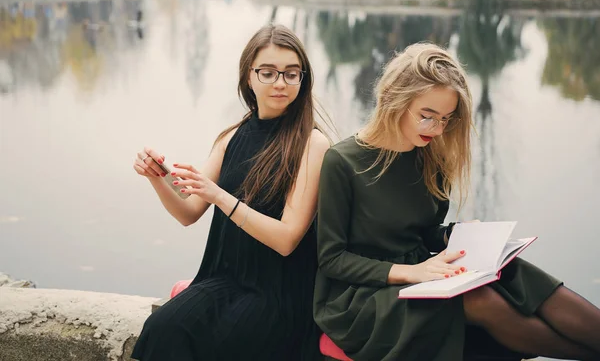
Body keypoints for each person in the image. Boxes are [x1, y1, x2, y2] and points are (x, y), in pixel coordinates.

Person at [313, 43, 600, 361]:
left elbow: (423, 232)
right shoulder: (342, 161)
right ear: (396, 98)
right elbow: (332, 259)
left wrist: (457, 235)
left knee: (513, 271)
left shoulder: (428, 157)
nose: (437, 129)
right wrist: (408, 273)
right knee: (478, 301)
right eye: (427, 116)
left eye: (446, 119)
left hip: (425, 274)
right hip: (361, 299)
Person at [131, 24, 331, 361]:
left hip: (280, 293)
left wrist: (220, 196)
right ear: (249, 77)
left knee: (223, 344)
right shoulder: (231, 137)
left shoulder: (313, 144)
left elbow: (287, 239)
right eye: (268, 72)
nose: (280, 82)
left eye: (291, 73)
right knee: (162, 329)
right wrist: (156, 178)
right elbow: (188, 211)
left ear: (303, 79)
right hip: (224, 280)